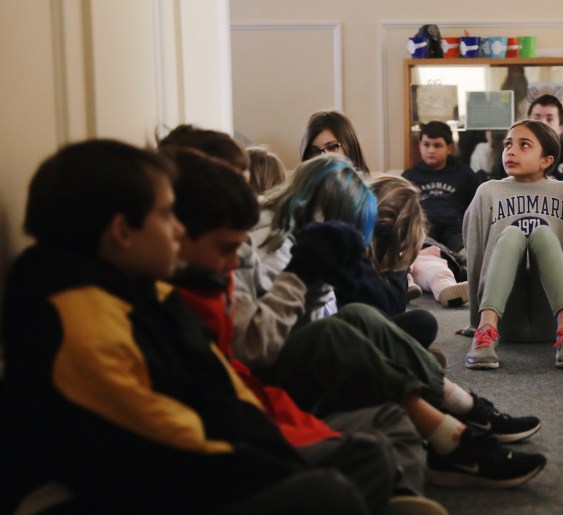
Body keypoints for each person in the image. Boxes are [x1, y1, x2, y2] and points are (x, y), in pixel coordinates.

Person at [0, 139, 386, 514]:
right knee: (329, 492)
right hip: (135, 488)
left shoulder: (142, 291)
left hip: (201, 461)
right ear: (122, 231)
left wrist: (281, 449)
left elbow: (219, 386)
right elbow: (163, 442)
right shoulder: (76, 321)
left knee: (364, 458)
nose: (179, 230)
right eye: (167, 214)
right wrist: (283, 467)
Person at [166, 149, 447, 513]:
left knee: (388, 393)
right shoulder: (253, 248)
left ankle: (404, 481)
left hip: (268, 391)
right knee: (355, 346)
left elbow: (329, 310)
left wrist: (319, 281)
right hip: (259, 403)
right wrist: (300, 278)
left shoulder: (236, 258)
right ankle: (451, 422)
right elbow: (255, 353)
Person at [252, 154, 438, 347]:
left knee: (378, 318)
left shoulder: (304, 238)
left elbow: (318, 314)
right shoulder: (277, 246)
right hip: (298, 355)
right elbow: (288, 338)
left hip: (316, 337)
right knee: (412, 323)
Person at [463, 120, 563, 370]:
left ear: (546, 160)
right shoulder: (488, 191)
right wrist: (475, 320)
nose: (511, 151)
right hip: (504, 321)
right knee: (512, 235)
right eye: (508, 144)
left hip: (551, 318)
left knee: (543, 234)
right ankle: (485, 331)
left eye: (524, 145)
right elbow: (476, 256)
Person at [370, 175, 469, 308]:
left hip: (417, 257)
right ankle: (410, 282)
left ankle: (445, 288)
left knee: (432, 267)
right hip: (402, 262)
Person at [402, 121, 479, 254]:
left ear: (449, 148)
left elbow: (476, 208)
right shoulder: (409, 177)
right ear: (419, 146)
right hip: (423, 226)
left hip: (455, 228)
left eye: (437, 145)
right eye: (426, 145)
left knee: (465, 252)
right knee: (423, 247)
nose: (431, 150)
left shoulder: (465, 174)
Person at [299, 110, 371, 174]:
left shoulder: (374, 187)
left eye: (331, 147)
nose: (323, 157)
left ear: (350, 147)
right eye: (314, 151)